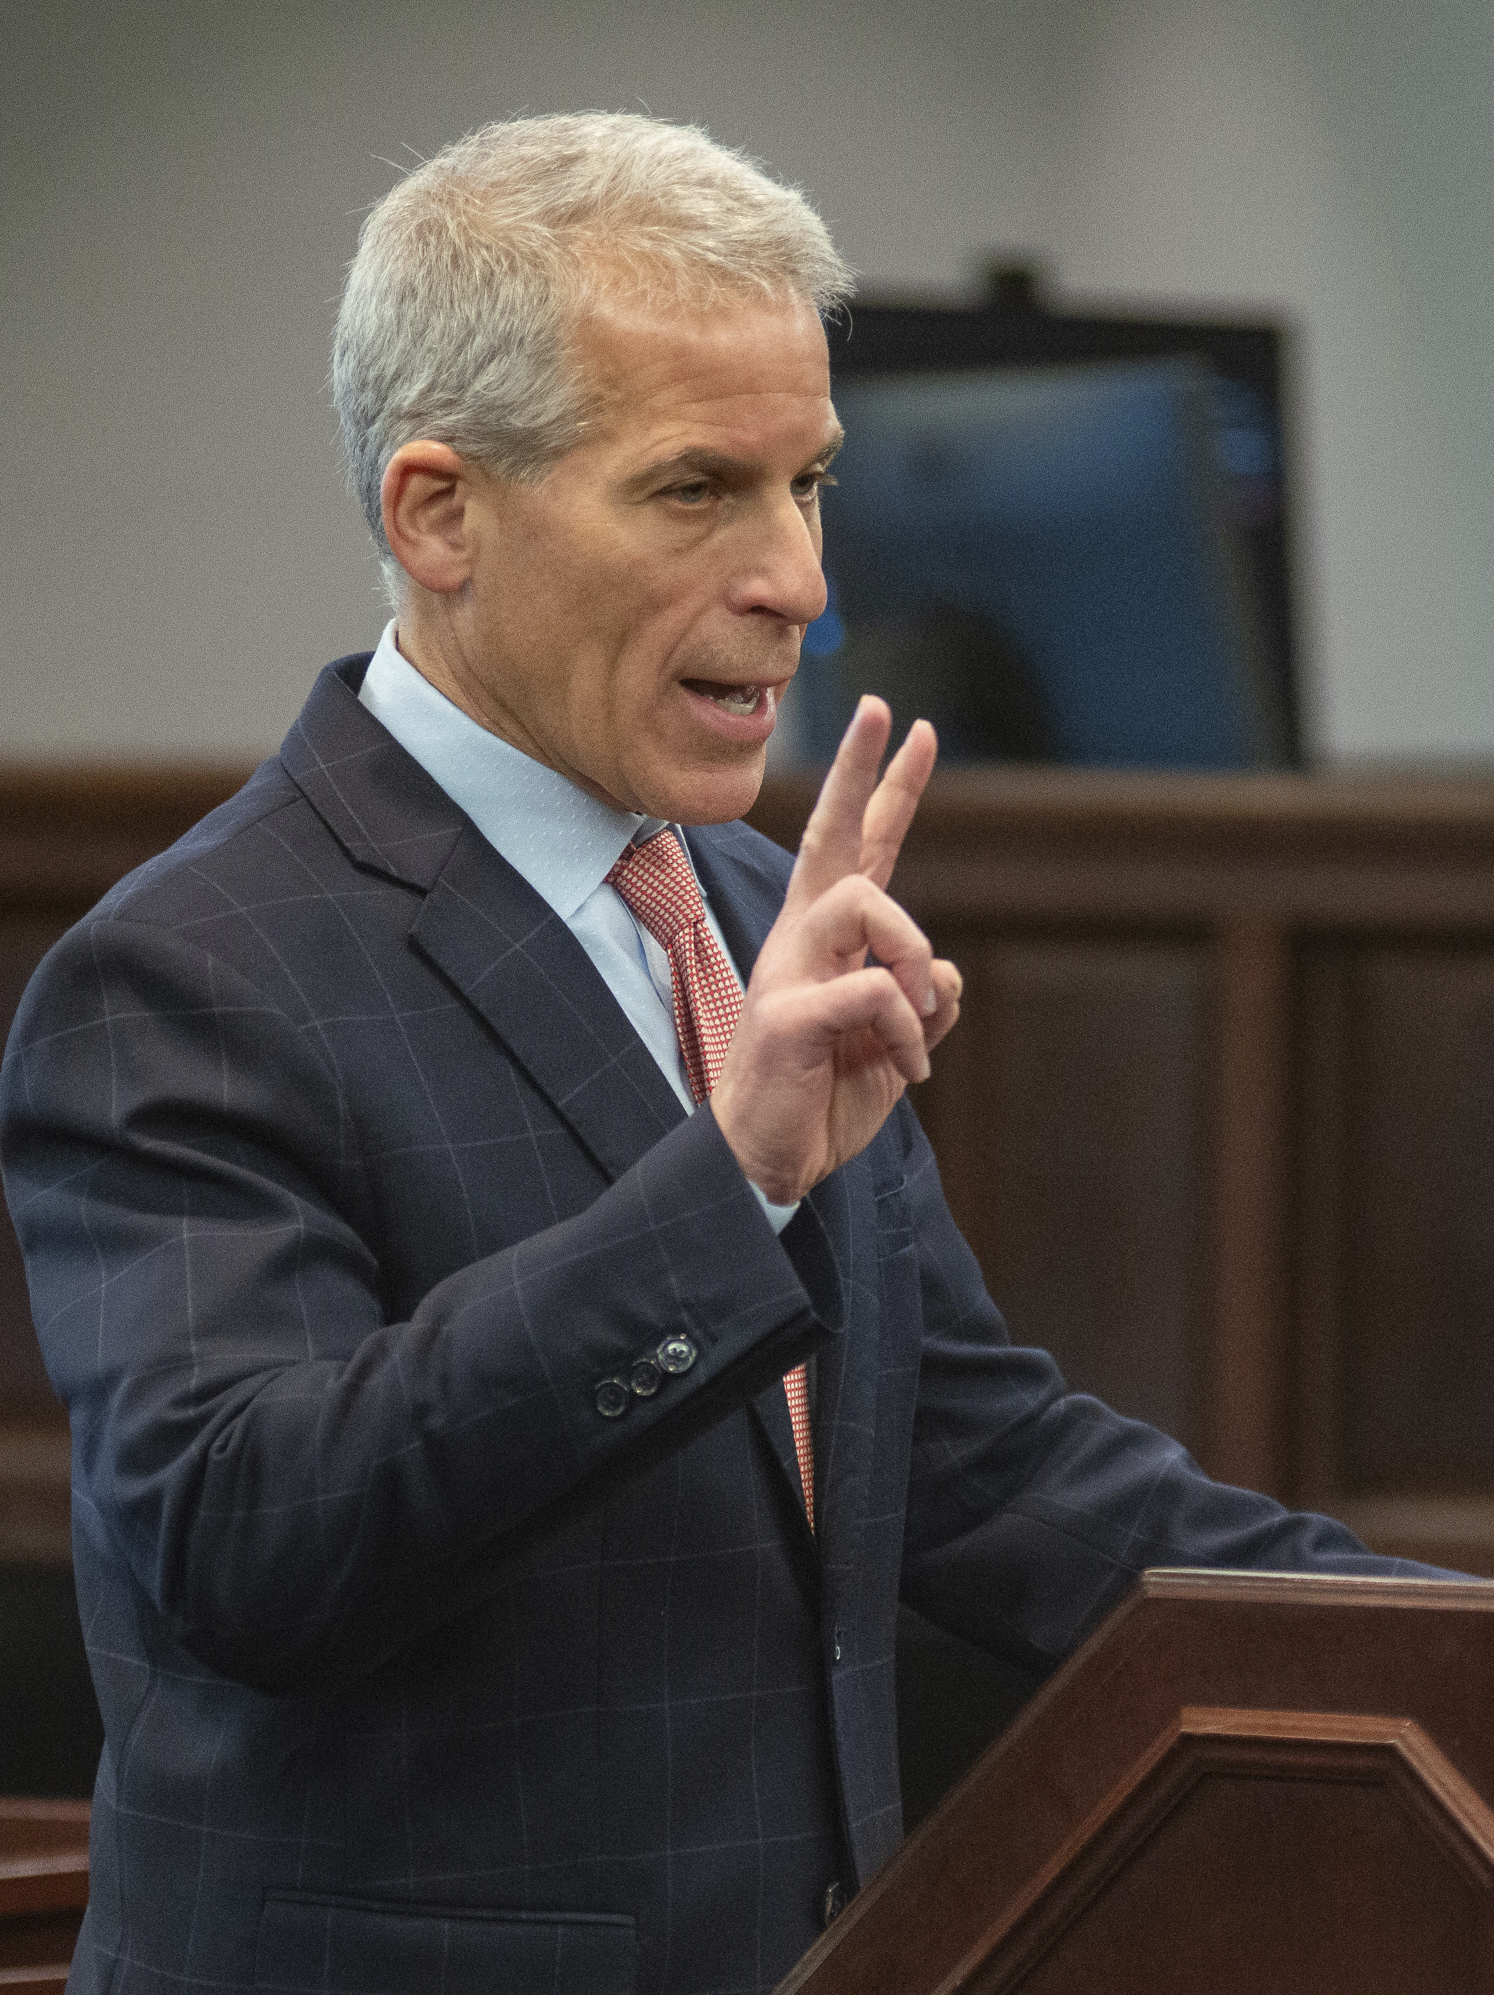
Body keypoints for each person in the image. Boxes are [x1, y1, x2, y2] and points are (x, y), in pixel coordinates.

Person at [0, 115, 1444, 1995]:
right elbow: (252, 1545)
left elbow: (971, 1468)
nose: (796, 584)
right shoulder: (185, 973)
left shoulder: (754, 907)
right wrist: (734, 1183)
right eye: (695, 491)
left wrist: (1444, 1654)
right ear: (436, 513)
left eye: (810, 485)